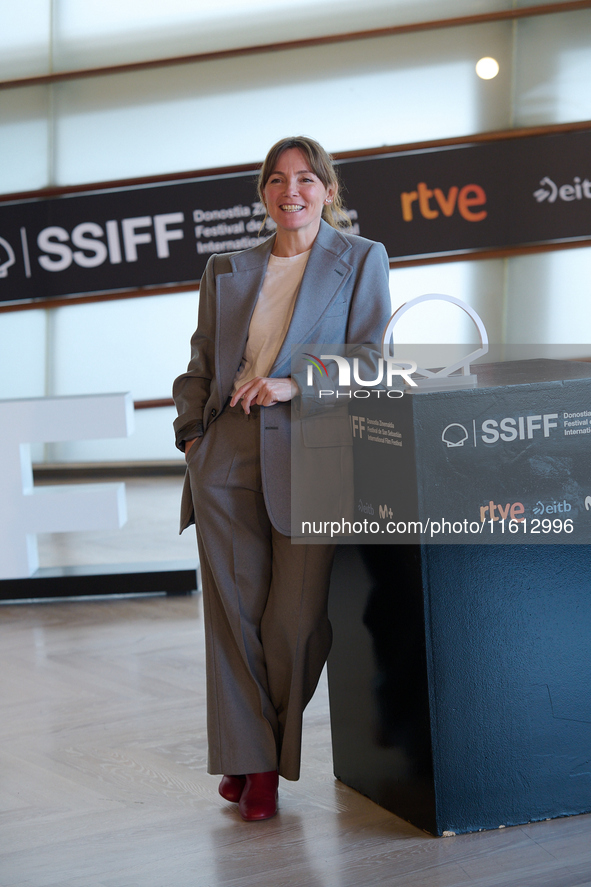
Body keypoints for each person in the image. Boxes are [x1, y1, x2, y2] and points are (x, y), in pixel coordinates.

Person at [173, 136, 392, 821]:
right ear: (263, 193)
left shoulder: (361, 260)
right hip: (227, 451)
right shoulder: (227, 268)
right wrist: (190, 435)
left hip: (313, 447)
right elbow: (203, 357)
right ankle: (256, 765)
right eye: (275, 179)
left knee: (295, 621)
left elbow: (372, 363)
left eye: (304, 179)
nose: (289, 190)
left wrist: (294, 385)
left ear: (327, 190)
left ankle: (258, 743)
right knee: (232, 618)